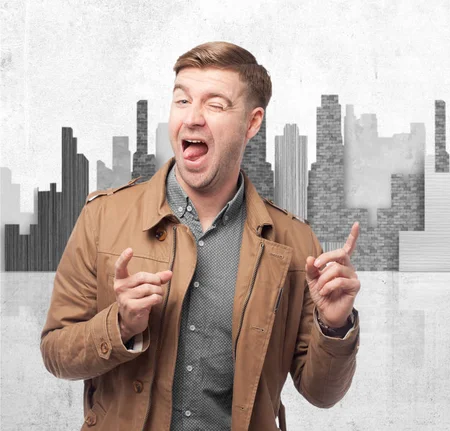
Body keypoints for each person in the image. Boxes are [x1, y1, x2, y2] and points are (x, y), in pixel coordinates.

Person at [40, 41, 361, 431]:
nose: (192, 118)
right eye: (182, 100)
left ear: (252, 123)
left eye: (215, 104)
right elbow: (56, 352)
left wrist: (335, 326)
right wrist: (120, 325)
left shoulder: (294, 242)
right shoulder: (103, 217)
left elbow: (321, 394)